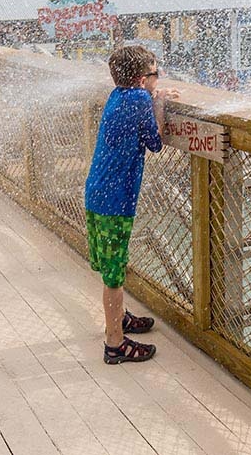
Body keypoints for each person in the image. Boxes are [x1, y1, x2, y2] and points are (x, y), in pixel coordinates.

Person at [84, 45, 178, 364]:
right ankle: (115, 344)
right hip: (115, 202)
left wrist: (151, 96)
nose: (157, 78)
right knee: (114, 277)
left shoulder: (118, 95)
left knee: (111, 268)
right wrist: (160, 103)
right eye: (155, 74)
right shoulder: (140, 99)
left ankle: (120, 318)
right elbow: (154, 143)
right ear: (141, 79)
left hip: (97, 193)